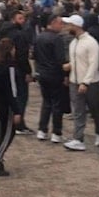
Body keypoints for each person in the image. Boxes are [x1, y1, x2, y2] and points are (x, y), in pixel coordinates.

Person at [62, 14, 99, 152]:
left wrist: (85, 82)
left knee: (95, 109)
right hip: (75, 81)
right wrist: (69, 67)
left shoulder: (91, 42)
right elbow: (77, 61)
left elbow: (93, 64)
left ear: (76, 26)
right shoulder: (73, 42)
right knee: (78, 111)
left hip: (91, 82)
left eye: (69, 25)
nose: (67, 27)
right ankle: (78, 138)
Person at [0, 38, 22, 177]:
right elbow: (12, 90)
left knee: (5, 132)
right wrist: (17, 110)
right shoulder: (9, 67)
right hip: (7, 104)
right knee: (8, 133)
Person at [33, 14, 68, 143]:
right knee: (57, 104)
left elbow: (35, 56)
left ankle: (42, 130)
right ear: (52, 23)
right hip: (54, 74)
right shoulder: (57, 39)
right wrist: (65, 74)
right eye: (60, 23)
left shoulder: (39, 37)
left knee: (46, 102)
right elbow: (60, 59)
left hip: (42, 73)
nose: (62, 26)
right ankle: (56, 132)